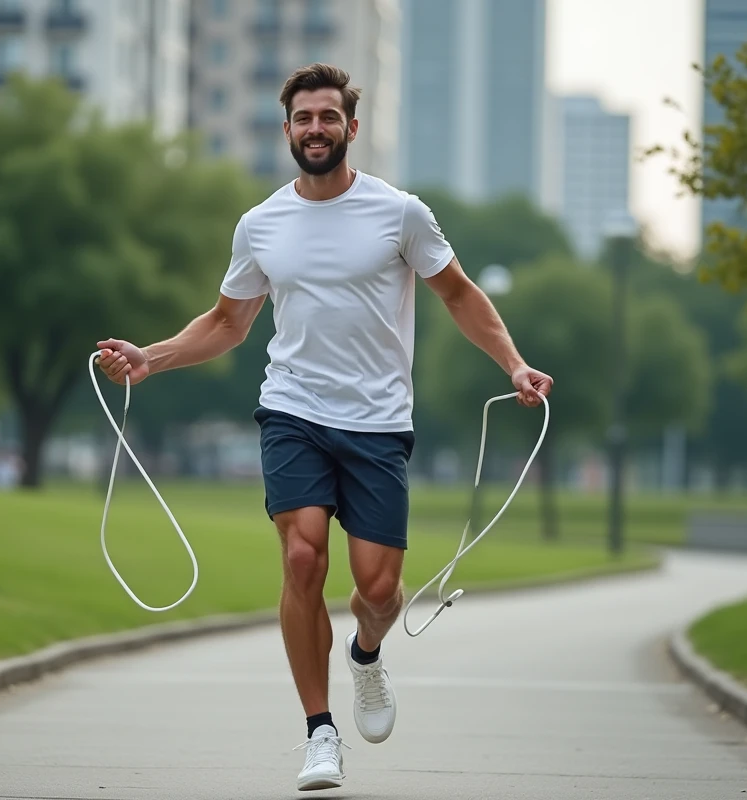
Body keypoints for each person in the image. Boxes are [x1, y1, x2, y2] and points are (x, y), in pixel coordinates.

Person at [95, 63, 553, 792]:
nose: (315, 129)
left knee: (379, 590)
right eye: (303, 118)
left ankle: (366, 657)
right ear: (286, 131)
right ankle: (319, 734)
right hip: (293, 413)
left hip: (378, 426)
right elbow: (226, 322)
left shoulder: (401, 214)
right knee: (303, 560)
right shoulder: (261, 224)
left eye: (327, 118)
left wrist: (514, 364)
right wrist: (148, 358)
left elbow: (460, 295)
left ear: (351, 129)